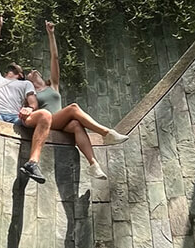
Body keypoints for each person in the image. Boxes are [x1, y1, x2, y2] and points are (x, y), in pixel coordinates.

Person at [26, 20, 128, 180]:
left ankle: (94, 165)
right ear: (28, 80)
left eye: (35, 70)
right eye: (30, 72)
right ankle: (105, 132)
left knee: (76, 125)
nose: (34, 71)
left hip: (61, 122)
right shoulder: (31, 93)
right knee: (73, 107)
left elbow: (55, 58)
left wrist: (51, 34)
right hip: (48, 122)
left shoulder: (53, 85)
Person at [0, 15, 53, 183]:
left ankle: (32, 163)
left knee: (46, 115)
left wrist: (29, 109)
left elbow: (33, 103)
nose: (14, 68)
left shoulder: (24, 85)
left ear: (21, 75)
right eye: (12, 68)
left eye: (17, 69)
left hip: (17, 117)